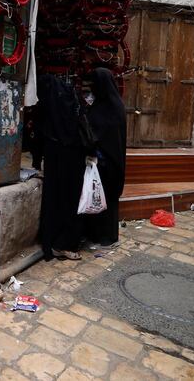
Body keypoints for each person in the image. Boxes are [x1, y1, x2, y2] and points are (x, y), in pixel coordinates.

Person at [36, 74, 88, 260]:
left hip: (54, 156)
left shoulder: (50, 118)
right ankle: (65, 244)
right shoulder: (74, 107)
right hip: (73, 160)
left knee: (53, 200)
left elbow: (39, 134)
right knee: (69, 201)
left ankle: (51, 242)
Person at [84, 67, 127, 247]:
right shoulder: (114, 104)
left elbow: (99, 133)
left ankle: (102, 235)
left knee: (104, 199)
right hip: (109, 162)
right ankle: (103, 234)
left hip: (106, 163)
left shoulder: (106, 108)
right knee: (103, 200)